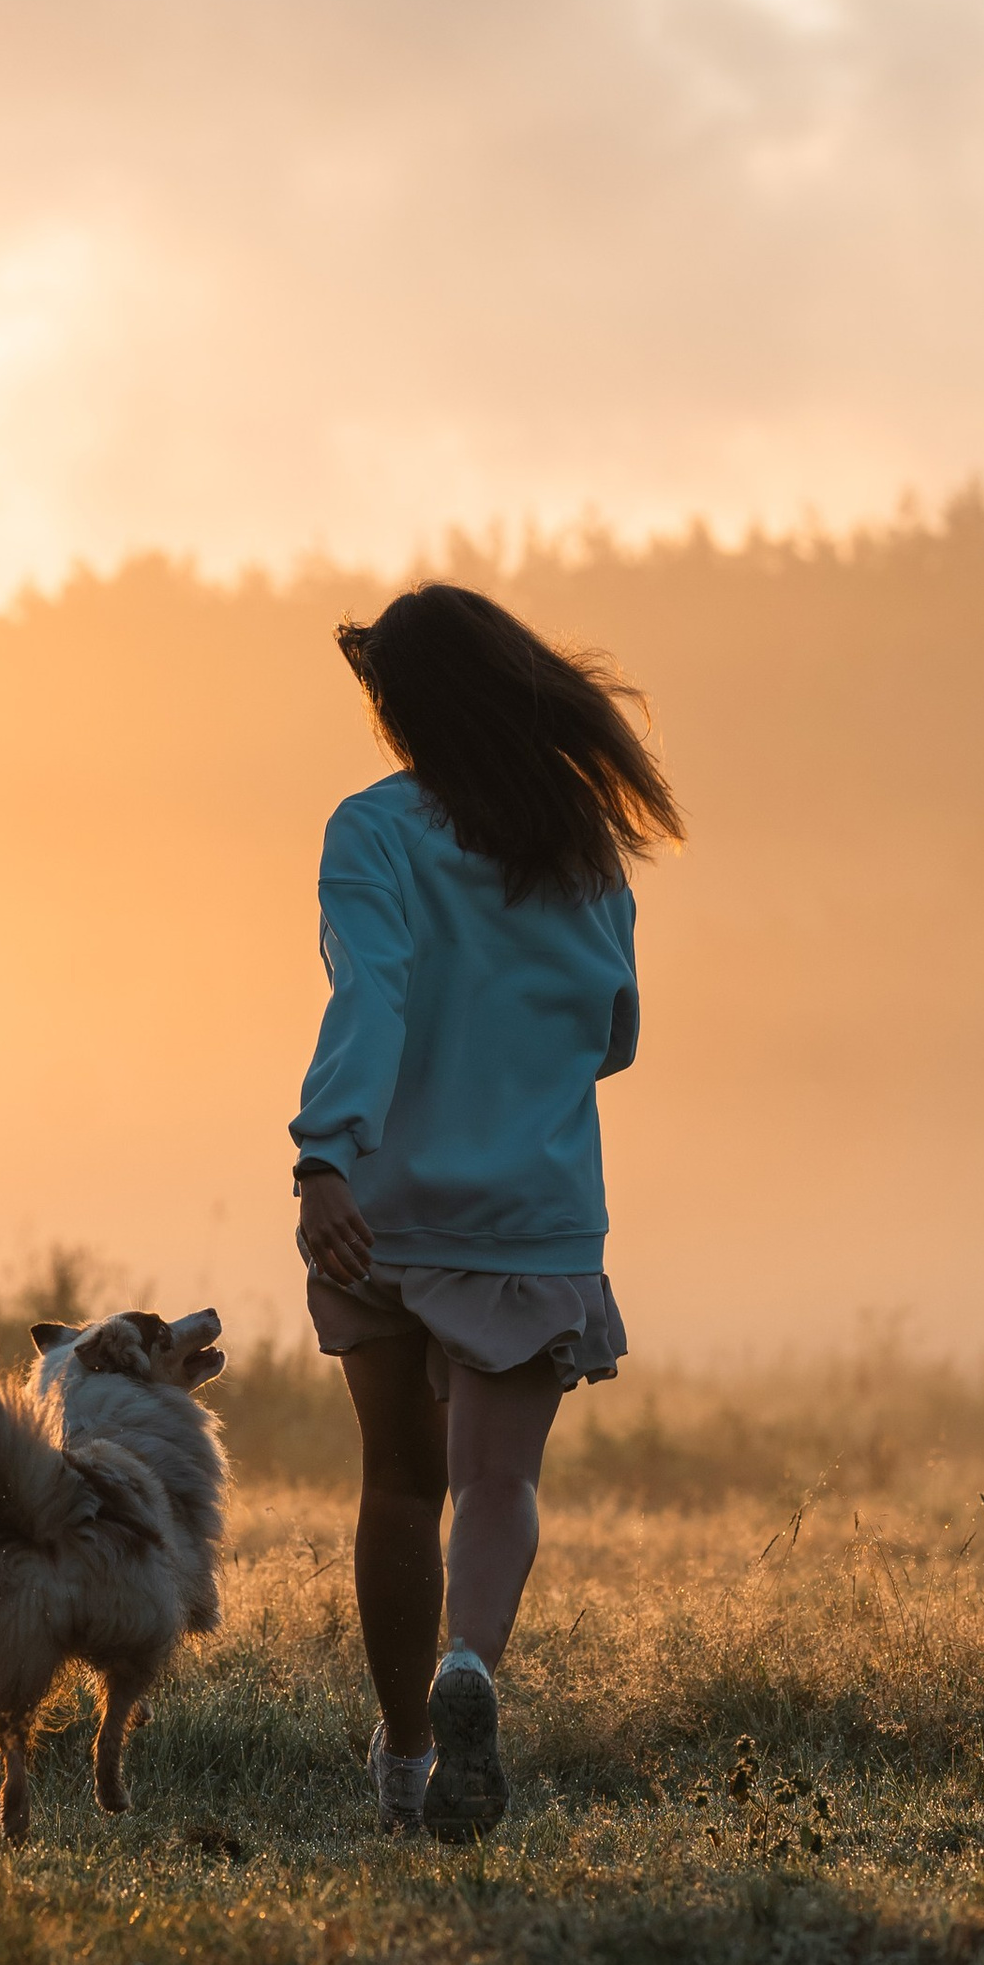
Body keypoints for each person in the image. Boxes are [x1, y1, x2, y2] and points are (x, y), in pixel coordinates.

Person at [289, 583, 684, 1842]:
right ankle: (470, 1665)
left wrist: (324, 1159)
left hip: (383, 1205)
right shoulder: (580, 844)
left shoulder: (372, 830)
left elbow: (372, 998)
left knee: (399, 1486)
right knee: (497, 1481)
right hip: (529, 1211)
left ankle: (406, 1763)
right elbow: (614, 1034)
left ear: (402, 710)